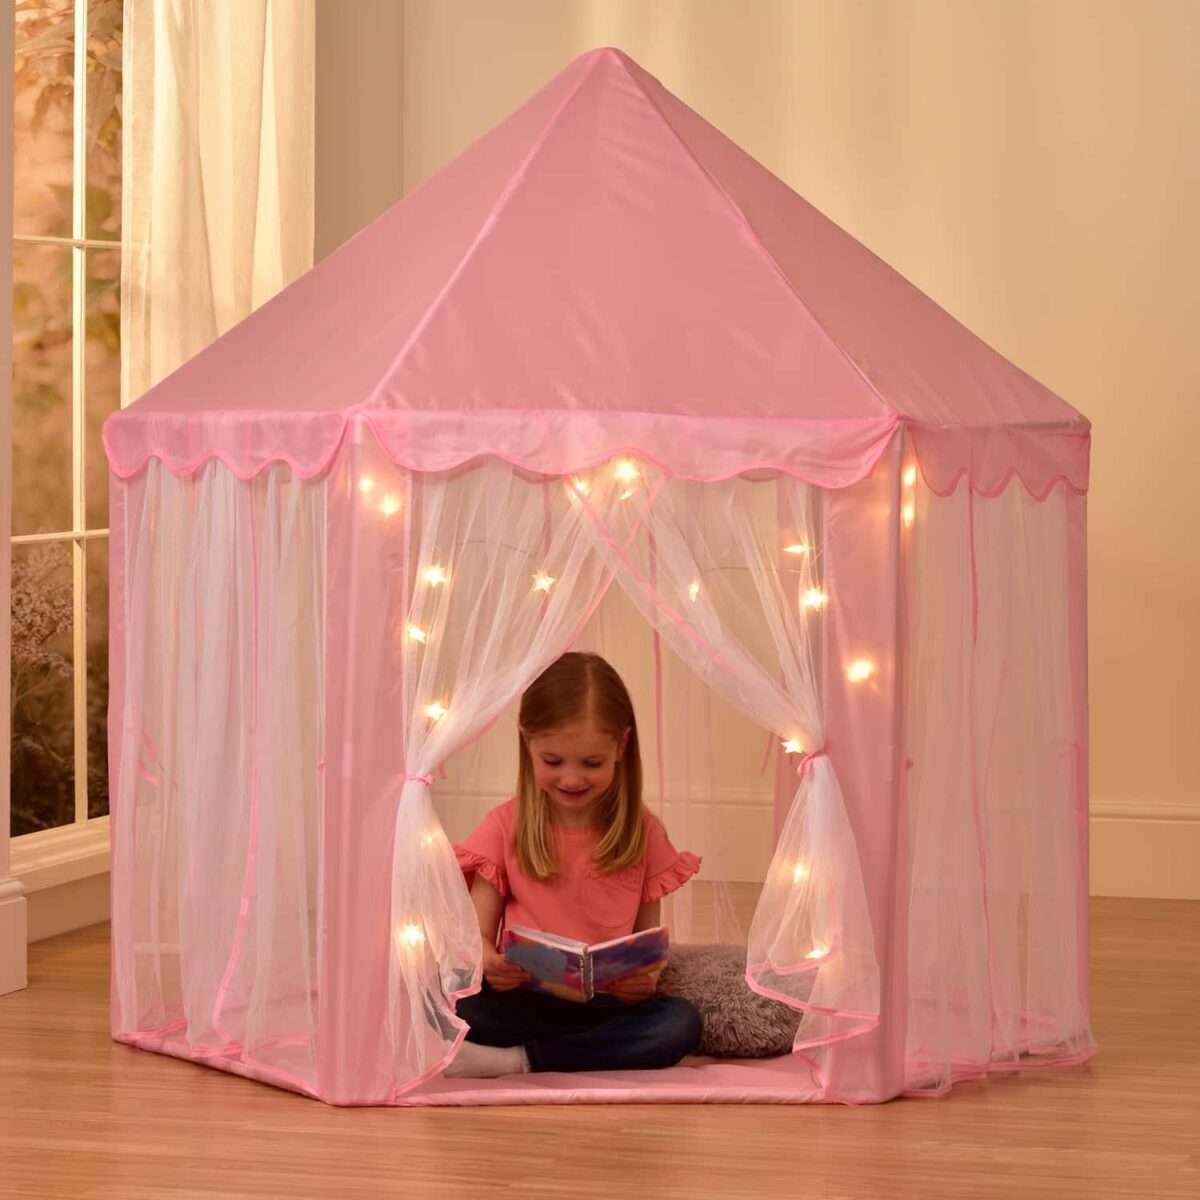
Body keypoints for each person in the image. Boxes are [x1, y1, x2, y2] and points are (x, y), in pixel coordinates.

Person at [446, 651, 703, 1078]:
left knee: (680, 1024)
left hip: (603, 1007)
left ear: (621, 747)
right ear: (527, 742)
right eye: (553, 761)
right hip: (521, 1003)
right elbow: (474, 938)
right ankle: (575, 1053)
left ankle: (522, 1060)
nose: (571, 778)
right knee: (446, 1001)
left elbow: (645, 950)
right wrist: (490, 962)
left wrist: (643, 983)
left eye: (591, 763)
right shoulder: (502, 826)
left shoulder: (643, 833)